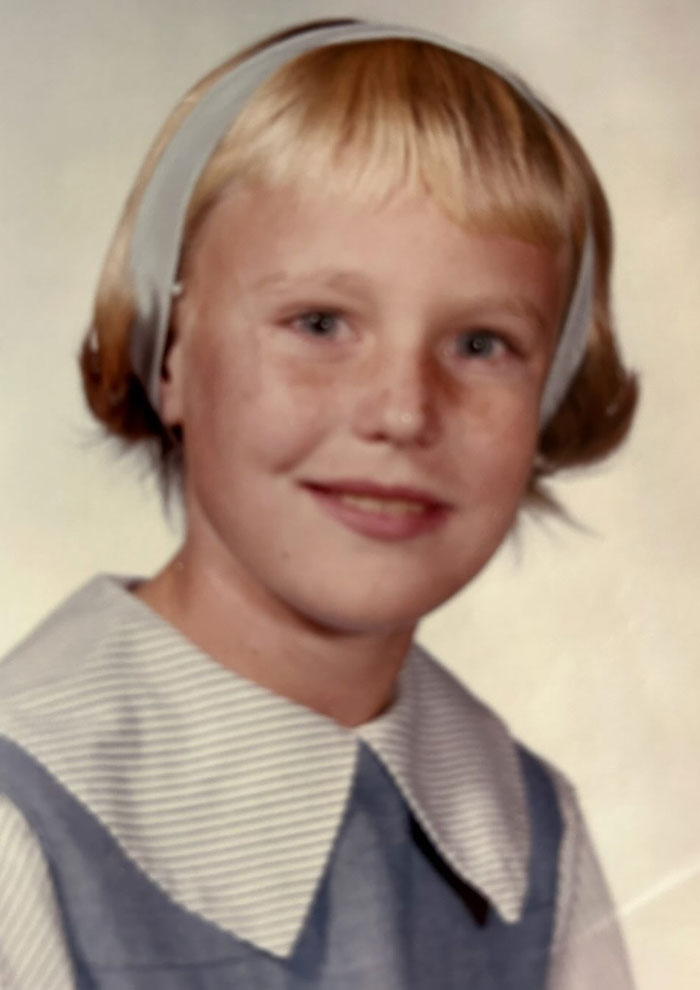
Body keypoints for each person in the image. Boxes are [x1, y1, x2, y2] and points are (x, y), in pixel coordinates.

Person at [0, 18, 638, 990]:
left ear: (547, 395)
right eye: (319, 322)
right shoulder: (24, 820)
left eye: (480, 343)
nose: (402, 411)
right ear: (169, 355)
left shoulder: (529, 833)